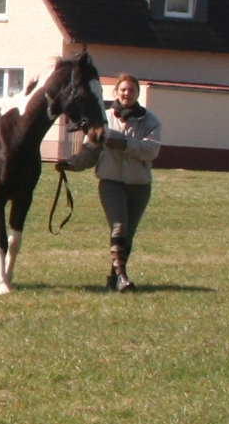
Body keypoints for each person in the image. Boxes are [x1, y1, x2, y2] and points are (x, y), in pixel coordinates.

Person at [66, 73, 161, 292]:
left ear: (138, 94)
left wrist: (124, 143)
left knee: (127, 235)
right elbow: (89, 152)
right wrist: (72, 164)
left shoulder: (150, 121)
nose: (127, 93)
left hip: (139, 186)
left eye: (132, 90)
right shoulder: (103, 118)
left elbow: (151, 150)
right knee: (119, 227)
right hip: (110, 182)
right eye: (123, 90)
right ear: (115, 92)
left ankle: (113, 277)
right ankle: (122, 277)